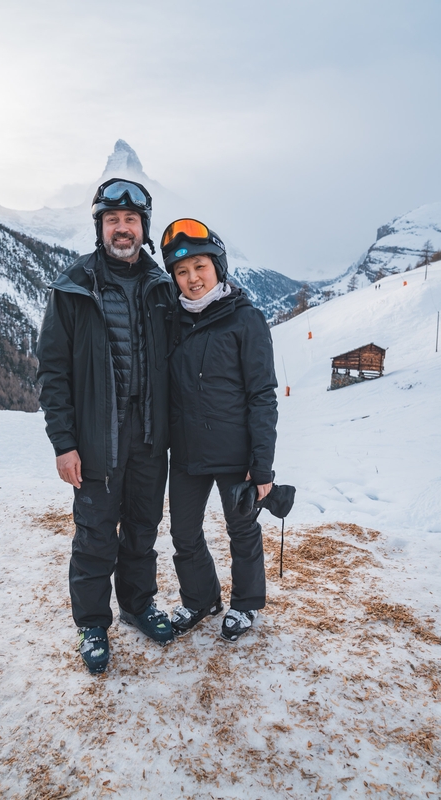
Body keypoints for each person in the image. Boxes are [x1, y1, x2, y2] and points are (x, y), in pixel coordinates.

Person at [37, 178, 176, 674]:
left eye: (131, 220)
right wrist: (64, 443)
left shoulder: (164, 288)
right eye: (113, 220)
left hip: (148, 437)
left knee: (141, 529)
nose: (122, 229)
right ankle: (93, 623)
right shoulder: (73, 287)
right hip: (97, 439)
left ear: (143, 228)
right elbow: (52, 374)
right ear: (100, 228)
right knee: (95, 535)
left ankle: (138, 606)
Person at [161, 218, 278, 642]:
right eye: (182, 271)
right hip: (188, 452)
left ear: (218, 267)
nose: (192, 279)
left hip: (236, 452)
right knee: (183, 532)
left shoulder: (246, 320)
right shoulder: (172, 320)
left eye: (200, 267)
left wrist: (261, 465)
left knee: (242, 530)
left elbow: (263, 394)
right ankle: (201, 599)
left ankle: (245, 605)